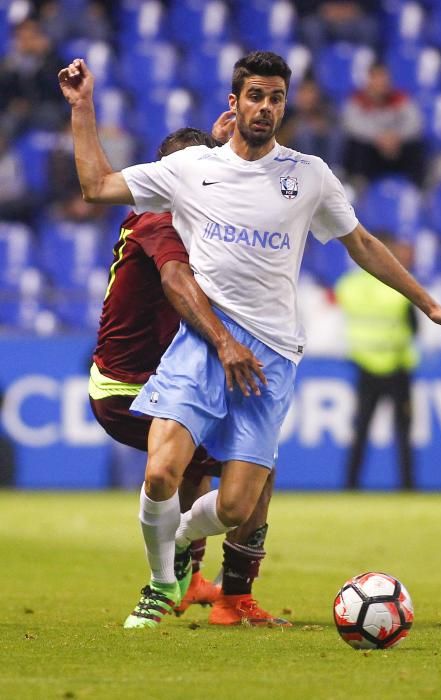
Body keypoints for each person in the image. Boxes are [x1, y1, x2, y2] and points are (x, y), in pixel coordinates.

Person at [58, 50, 441, 629]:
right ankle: (160, 586)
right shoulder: (192, 169)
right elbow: (97, 184)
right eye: (255, 96)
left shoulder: (308, 175)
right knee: (161, 473)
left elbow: (361, 245)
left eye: (276, 98)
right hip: (204, 344)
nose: (266, 107)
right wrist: (83, 108)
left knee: (235, 507)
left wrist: (430, 303)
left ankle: (178, 541)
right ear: (234, 104)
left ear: (284, 105)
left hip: (270, 357)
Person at [88, 123, 288, 626]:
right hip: (129, 387)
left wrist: (230, 145)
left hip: (152, 375)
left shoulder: (192, 214)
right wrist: (225, 343)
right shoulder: (160, 220)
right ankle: (220, 591)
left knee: (211, 465)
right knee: (250, 472)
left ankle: (188, 577)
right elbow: (178, 280)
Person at [335, 234, 418, 491]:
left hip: (364, 365)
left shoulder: (347, 285)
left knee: (360, 430)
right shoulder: (400, 288)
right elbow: (414, 329)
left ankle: (350, 486)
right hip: (397, 366)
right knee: (403, 432)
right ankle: (407, 487)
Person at [341, 63, 425, 186]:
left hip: (397, 148)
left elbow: (415, 123)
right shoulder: (357, 100)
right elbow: (352, 124)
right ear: (369, 81)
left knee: (416, 145)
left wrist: (396, 137)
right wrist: (378, 137)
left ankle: (416, 188)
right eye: (376, 79)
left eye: (383, 80)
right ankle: (359, 186)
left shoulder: (401, 99)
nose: (380, 84)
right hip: (372, 149)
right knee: (355, 146)